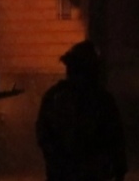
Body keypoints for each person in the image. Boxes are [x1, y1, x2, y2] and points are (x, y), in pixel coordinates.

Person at [36, 41, 127, 181]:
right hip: (89, 173)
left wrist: (55, 159)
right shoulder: (102, 99)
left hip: (65, 173)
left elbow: (43, 133)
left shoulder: (54, 96)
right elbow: (115, 136)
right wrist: (119, 168)